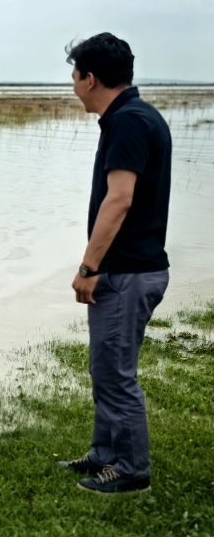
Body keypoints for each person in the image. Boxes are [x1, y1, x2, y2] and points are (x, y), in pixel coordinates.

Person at [57, 33, 171, 495]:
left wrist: (88, 268)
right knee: (105, 366)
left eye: (74, 76)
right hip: (128, 269)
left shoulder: (128, 122)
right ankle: (104, 454)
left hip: (126, 270)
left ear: (91, 78)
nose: (72, 85)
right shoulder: (132, 116)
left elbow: (119, 200)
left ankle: (130, 471)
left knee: (116, 373)